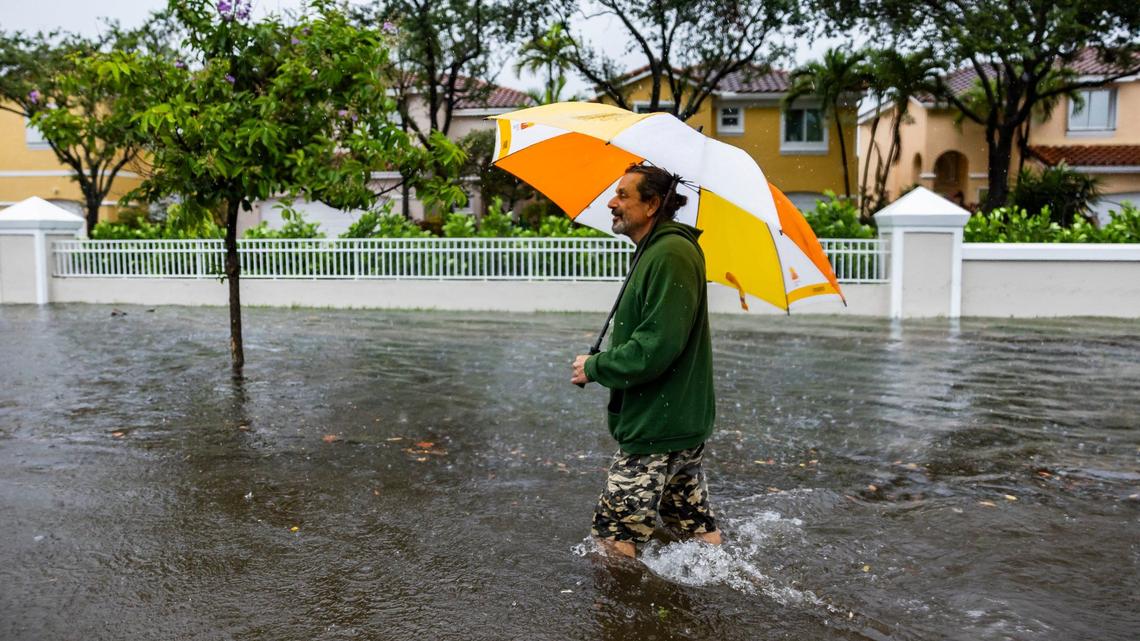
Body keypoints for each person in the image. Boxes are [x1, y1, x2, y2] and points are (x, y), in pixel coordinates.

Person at [570, 163, 722, 559]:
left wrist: (595, 367)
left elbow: (655, 347)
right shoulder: (657, 251)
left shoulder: (670, 253)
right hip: (674, 422)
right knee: (692, 528)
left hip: (657, 426)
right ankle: (713, 600)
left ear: (653, 204)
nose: (612, 202)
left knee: (612, 538)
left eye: (623, 195)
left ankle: (622, 620)